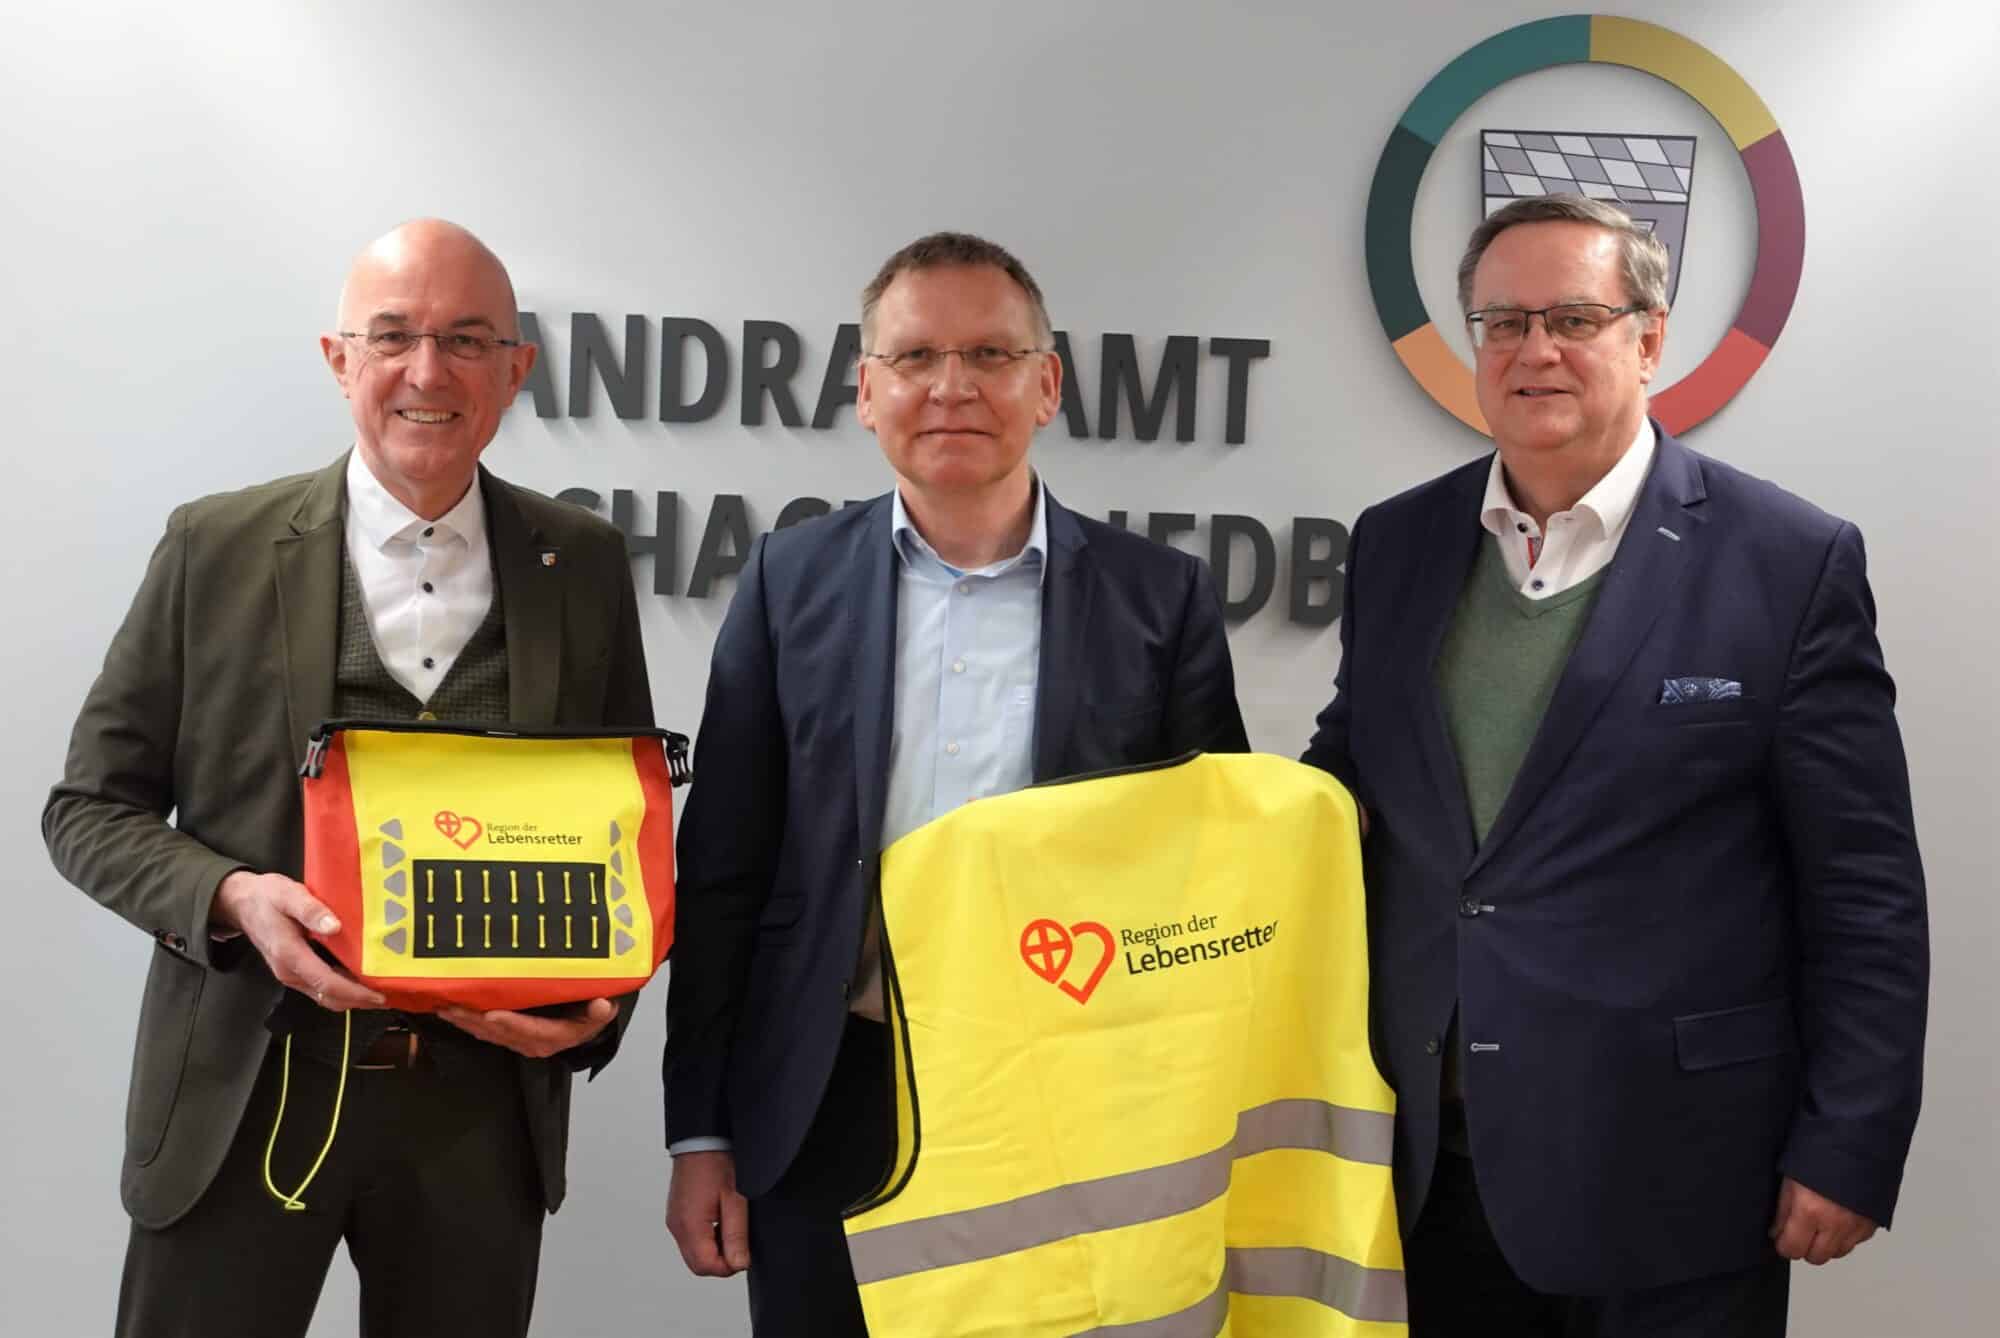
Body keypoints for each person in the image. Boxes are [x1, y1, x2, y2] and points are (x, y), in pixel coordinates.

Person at [1302, 194, 1928, 1335]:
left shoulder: (1787, 561)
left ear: (1648, 340)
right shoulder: (1396, 541)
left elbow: (1863, 890)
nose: (1533, 349)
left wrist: (1850, 1139)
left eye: (1573, 319)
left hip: (1682, 1173)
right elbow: (1356, 763)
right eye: (1503, 322)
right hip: (1430, 1156)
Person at [43, 219, 655, 1338]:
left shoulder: (583, 561)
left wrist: (593, 1010)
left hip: (480, 1115)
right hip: (242, 1088)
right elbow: (88, 810)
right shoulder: (213, 546)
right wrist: (231, 896)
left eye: (467, 339)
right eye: (393, 335)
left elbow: (619, 826)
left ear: (516, 368)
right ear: (339, 359)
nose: (428, 371)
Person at [663, 230, 1250, 1333]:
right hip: (824, 1091)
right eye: (915, 356)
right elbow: (725, 874)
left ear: (1047, 385)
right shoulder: (788, 584)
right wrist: (701, 1130)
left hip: (1069, 1102)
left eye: (989, 354)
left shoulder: (1158, 600)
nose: (951, 386)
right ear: (865, 390)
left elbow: (1206, 889)